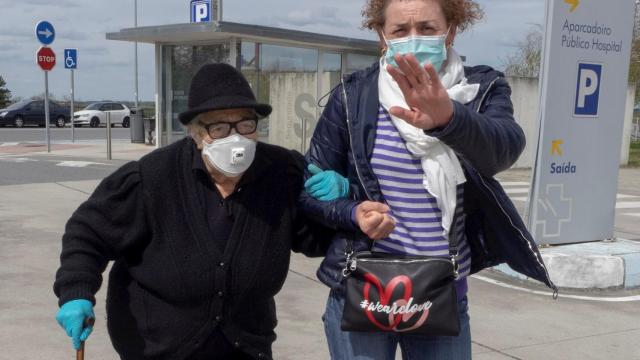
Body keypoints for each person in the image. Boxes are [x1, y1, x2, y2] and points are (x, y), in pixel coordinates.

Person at [300, 0, 557, 359]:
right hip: (364, 288)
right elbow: (311, 191)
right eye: (400, 31)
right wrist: (351, 211)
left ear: (451, 30)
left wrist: (449, 118)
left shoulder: (480, 88)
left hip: (443, 292)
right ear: (381, 35)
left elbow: (503, 150)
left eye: (427, 28)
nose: (414, 39)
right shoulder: (353, 94)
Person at [53, 63, 341, 360]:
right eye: (219, 127)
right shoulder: (152, 178)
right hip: (158, 349)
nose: (236, 138)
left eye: (246, 124)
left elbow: (314, 240)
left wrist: (334, 207)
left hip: (246, 346)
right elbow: (88, 233)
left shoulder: (282, 172)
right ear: (195, 132)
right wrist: (75, 292)